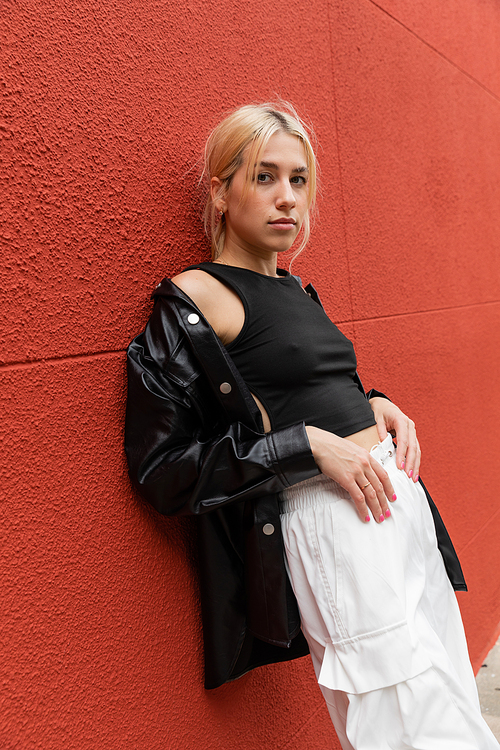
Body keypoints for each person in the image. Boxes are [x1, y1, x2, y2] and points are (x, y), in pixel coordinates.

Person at [125, 103, 499, 749]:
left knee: (450, 708)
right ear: (220, 190)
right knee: (418, 734)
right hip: (338, 525)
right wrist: (303, 448)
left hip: (397, 510)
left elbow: (309, 390)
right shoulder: (197, 298)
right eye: (264, 176)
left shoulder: (298, 291)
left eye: (299, 180)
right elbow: (162, 468)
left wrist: (376, 403)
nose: (287, 199)